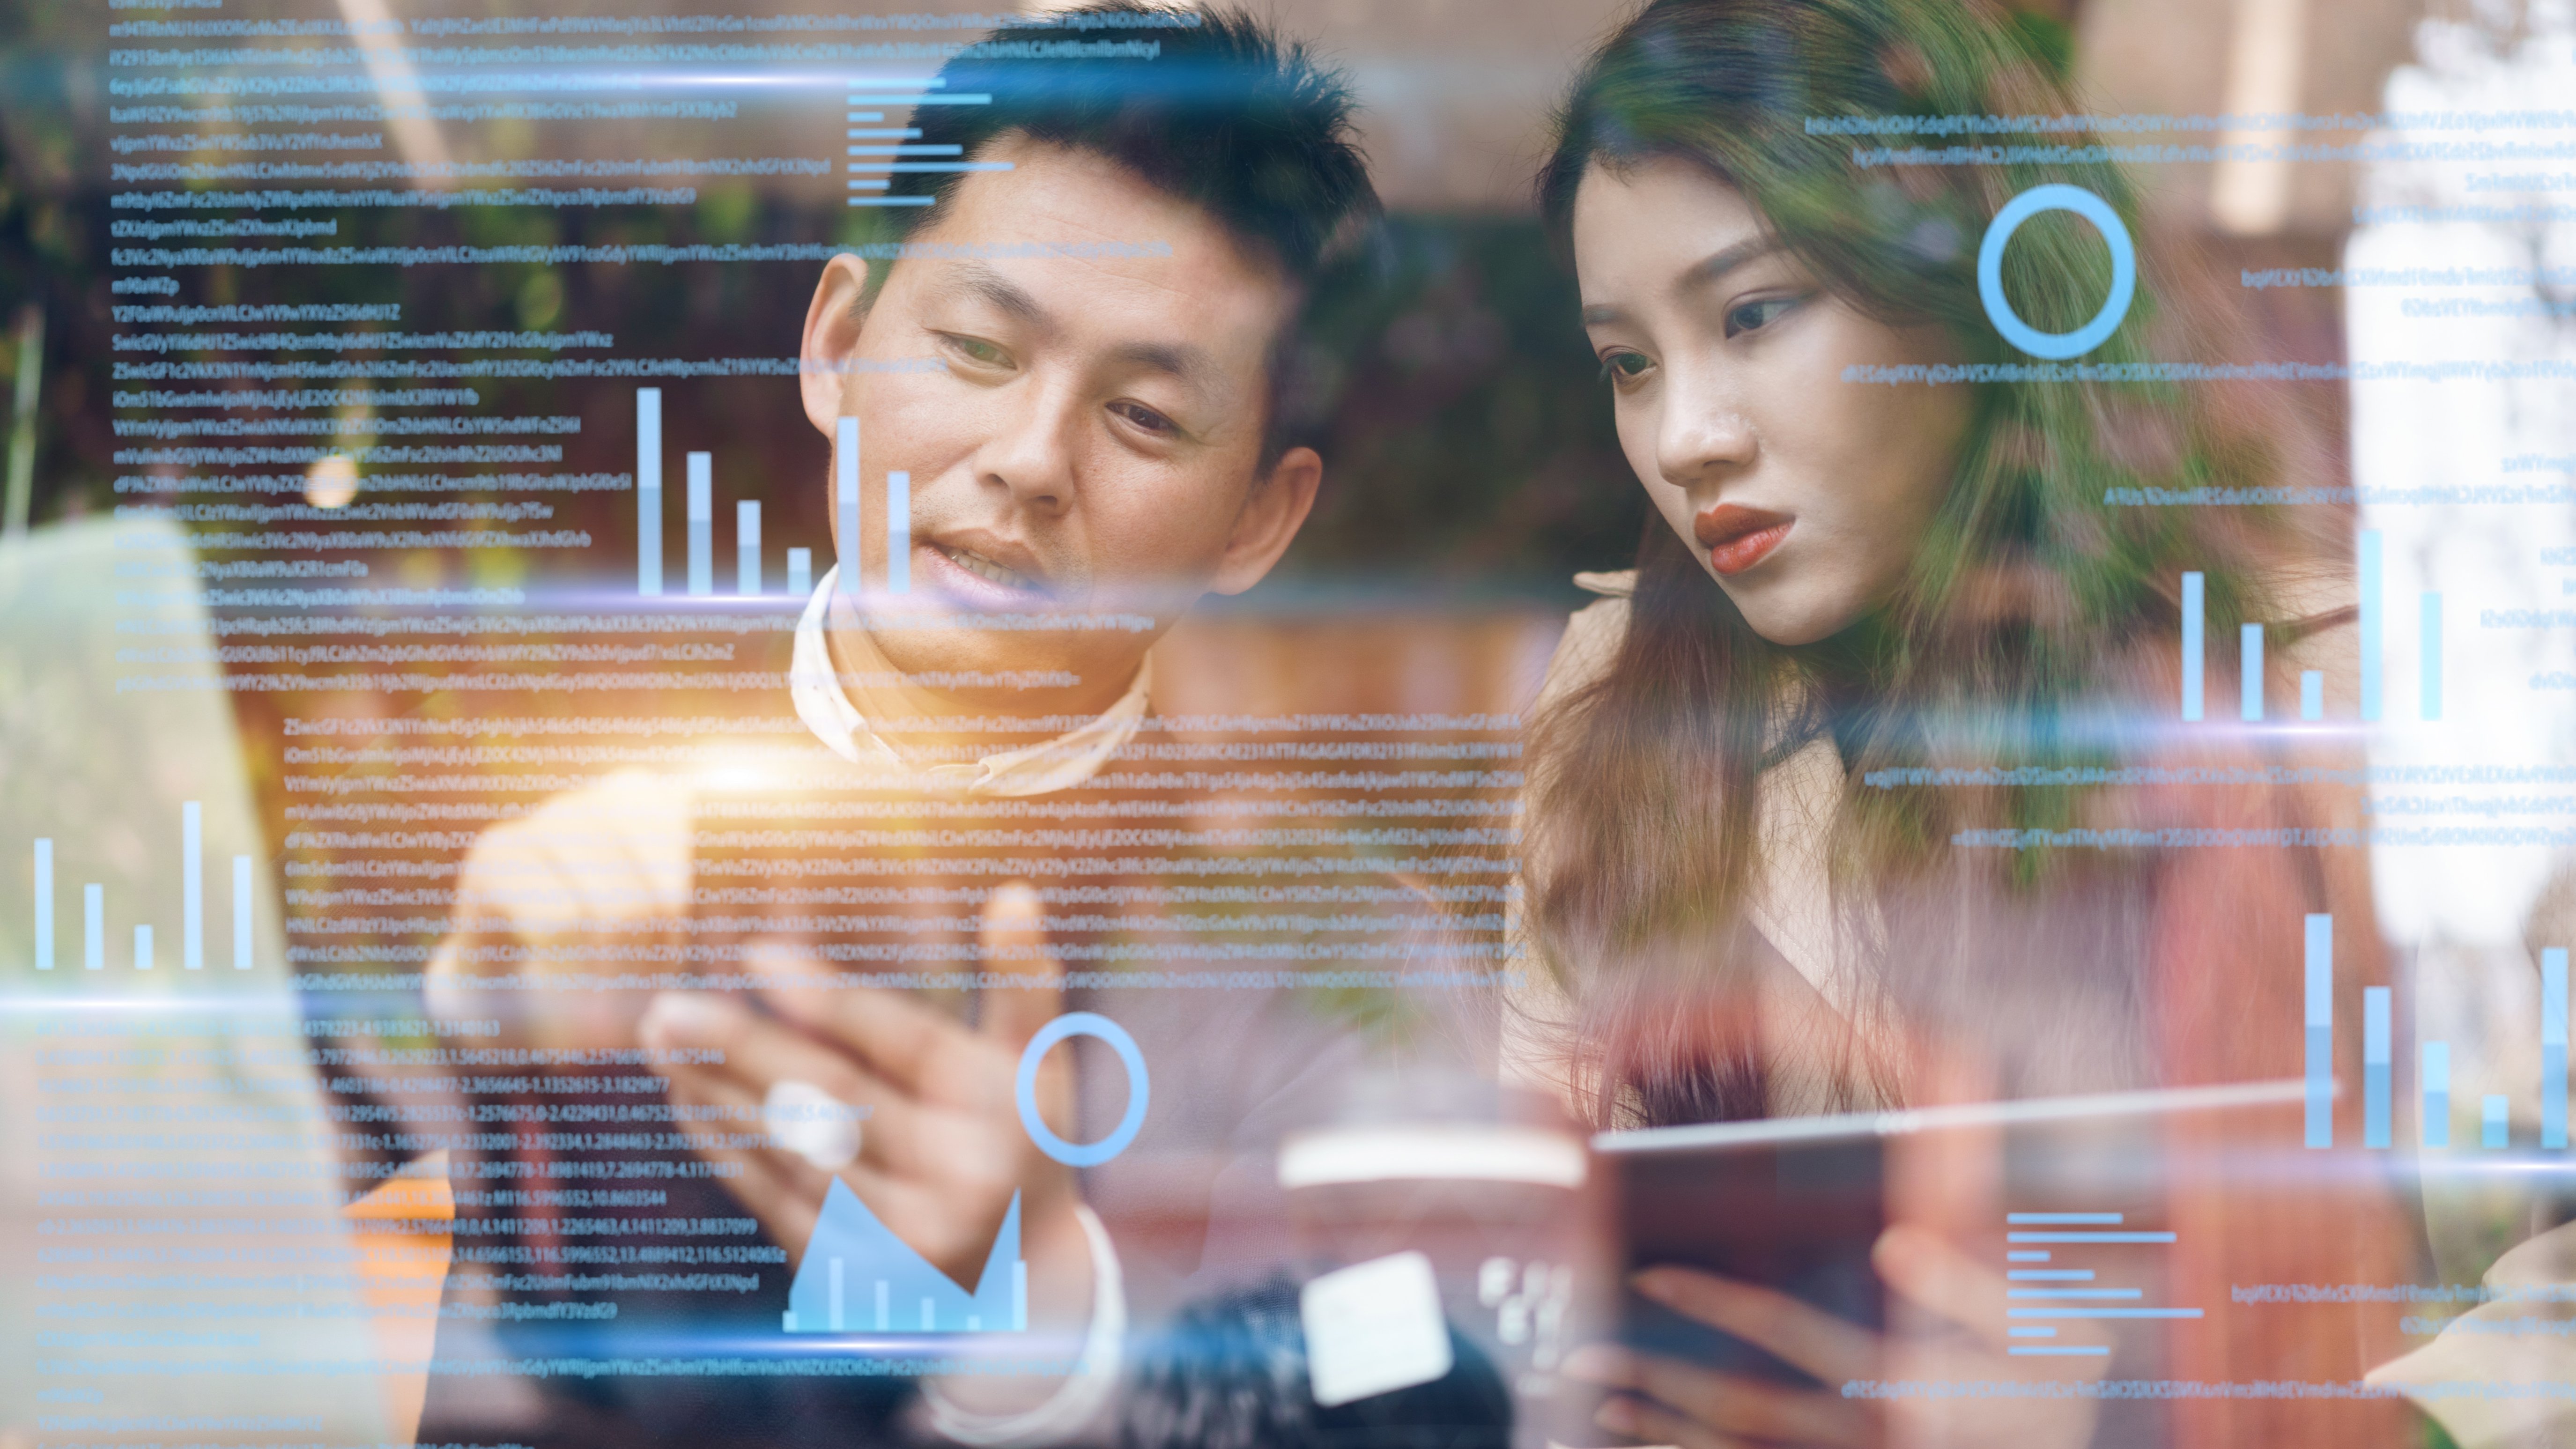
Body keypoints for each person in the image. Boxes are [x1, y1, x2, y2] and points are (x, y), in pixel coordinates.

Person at [410, 7, 1424, 1447]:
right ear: (833, 342)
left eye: (1141, 415)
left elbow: (1424, 1408)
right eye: (974, 347)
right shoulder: (508, 840)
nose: (1027, 463)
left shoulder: (1348, 966)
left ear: (1257, 515)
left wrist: (1047, 1327)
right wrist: (482, 1058)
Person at [1506, 2, 2422, 1446]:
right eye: (1629, 362)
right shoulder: (1616, 705)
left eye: (1753, 314)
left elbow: (2474, 1322)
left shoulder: (2295, 691)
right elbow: (1533, 1253)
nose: (1685, 435)